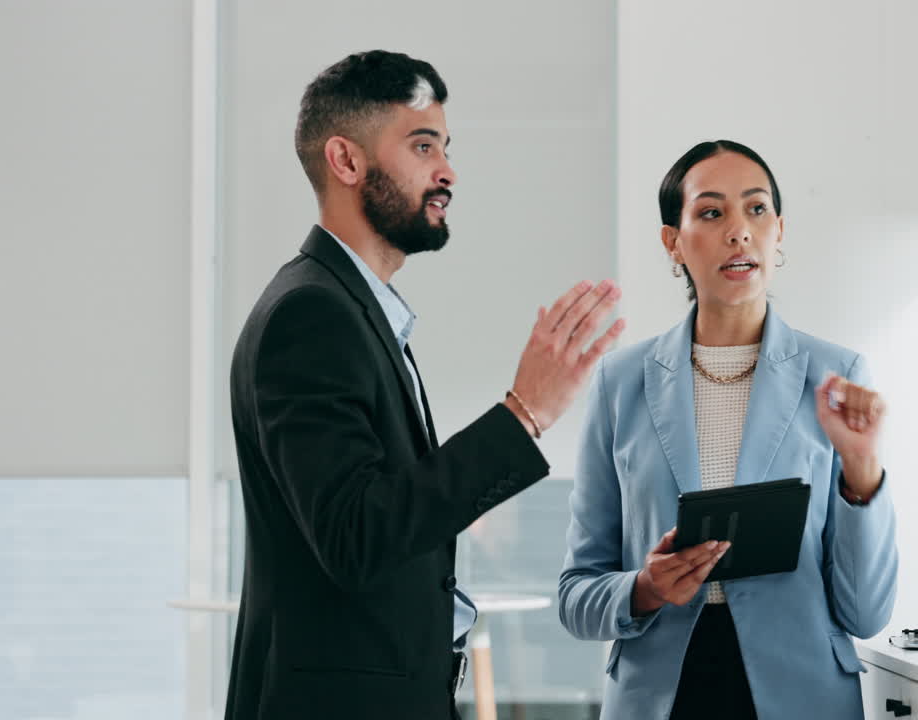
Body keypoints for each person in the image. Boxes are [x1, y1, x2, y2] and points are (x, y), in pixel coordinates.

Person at [225, 50, 624, 720]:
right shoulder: (312, 315)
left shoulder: (349, 309)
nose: (447, 172)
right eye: (421, 145)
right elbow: (356, 536)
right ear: (346, 162)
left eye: (444, 146)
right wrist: (524, 413)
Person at [558, 140, 899, 719]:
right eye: (712, 212)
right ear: (673, 240)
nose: (739, 231)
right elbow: (576, 595)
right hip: (660, 698)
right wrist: (645, 588)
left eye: (757, 209)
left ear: (780, 230)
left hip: (801, 695)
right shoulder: (620, 383)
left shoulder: (837, 379)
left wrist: (863, 472)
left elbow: (866, 613)